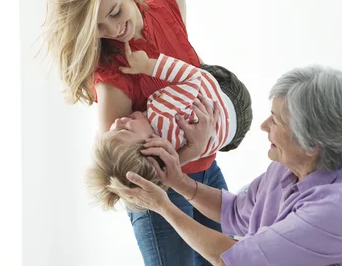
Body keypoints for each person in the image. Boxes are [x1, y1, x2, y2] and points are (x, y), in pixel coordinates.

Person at [42, 0, 235, 266]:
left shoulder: (170, 3)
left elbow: (190, 79)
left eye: (114, 13)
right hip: (156, 193)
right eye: (98, 27)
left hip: (206, 174)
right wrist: (186, 156)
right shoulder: (113, 76)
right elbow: (125, 174)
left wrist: (207, 135)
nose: (114, 30)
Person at [108, 66, 342, 266]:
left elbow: (232, 260)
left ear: (311, 144)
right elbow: (235, 211)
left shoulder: (338, 209)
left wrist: (164, 207)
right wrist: (180, 182)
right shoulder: (285, 170)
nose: (263, 126)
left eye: (275, 120)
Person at [86, 43, 252, 212]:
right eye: (124, 129)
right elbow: (193, 77)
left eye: (112, 128)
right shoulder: (160, 113)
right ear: (151, 146)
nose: (116, 122)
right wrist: (148, 66)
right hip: (231, 94)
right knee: (196, 69)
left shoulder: (166, 159)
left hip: (235, 134)